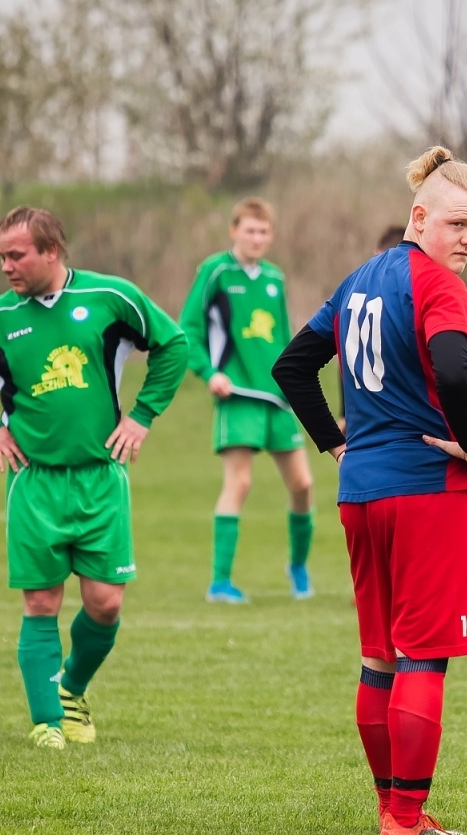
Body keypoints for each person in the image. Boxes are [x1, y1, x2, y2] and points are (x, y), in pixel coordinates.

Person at [274, 147, 467, 835]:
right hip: (425, 489)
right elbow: (454, 372)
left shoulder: (361, 279)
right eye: (458, 224)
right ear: (419, 215)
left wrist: (337, 445)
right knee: (425, 654)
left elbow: (293, 366)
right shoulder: (436, 285)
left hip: (361, 492)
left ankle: (392, 807)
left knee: (381, 654)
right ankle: (403, 818)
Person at [0, 206, 189, 750]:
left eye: (16, 254)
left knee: (106, 603)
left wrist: (141, 417)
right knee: (41, 602)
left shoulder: (109, 299)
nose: (6, 266)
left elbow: (173, 345)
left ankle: (70, 688)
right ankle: (47, 721)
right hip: (34, 482)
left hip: (100, 478)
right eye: (0, 256)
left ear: (52, 251)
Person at [183, 197, 316, 604]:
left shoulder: (275, 279)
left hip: (277, 398)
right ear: (234, 230)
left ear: (271, 235)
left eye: (263, 231)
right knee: (239, 483)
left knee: (304, 485)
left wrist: (297, 383)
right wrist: (209, 373)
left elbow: (285, 338)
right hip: (237, 393)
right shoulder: (216, 272)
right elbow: (187, 329)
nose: (256, 237)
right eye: (249, 230)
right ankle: (220, 583)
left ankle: (297, 567)